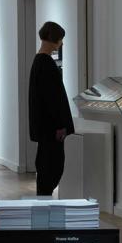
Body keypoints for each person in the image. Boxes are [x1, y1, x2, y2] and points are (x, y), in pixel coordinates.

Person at [29, 21, 75, 195]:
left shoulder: (39, 61)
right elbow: (52, 98)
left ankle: (43, 200)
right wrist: (59, 125)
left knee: (46, 165)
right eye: (60, 39)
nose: (61, 43)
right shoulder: (45, 63)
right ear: (53, 38)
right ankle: (44, 202)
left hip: (46, 128)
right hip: (51, 129)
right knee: (51, 166)